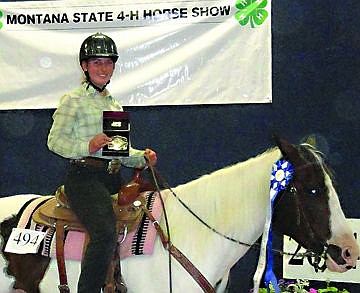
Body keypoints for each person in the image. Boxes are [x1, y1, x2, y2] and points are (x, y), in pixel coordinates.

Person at [47, 32, 157, 293]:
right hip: (84, 178)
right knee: (105, 233)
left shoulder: (114, 104)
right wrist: (88, 146)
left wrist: (142, 156)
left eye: (108, 62)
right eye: (96, 62)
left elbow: (119, 150)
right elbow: (54, 141)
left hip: (112, 177)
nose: (103, 68)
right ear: (84, 66)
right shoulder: (72, 100)